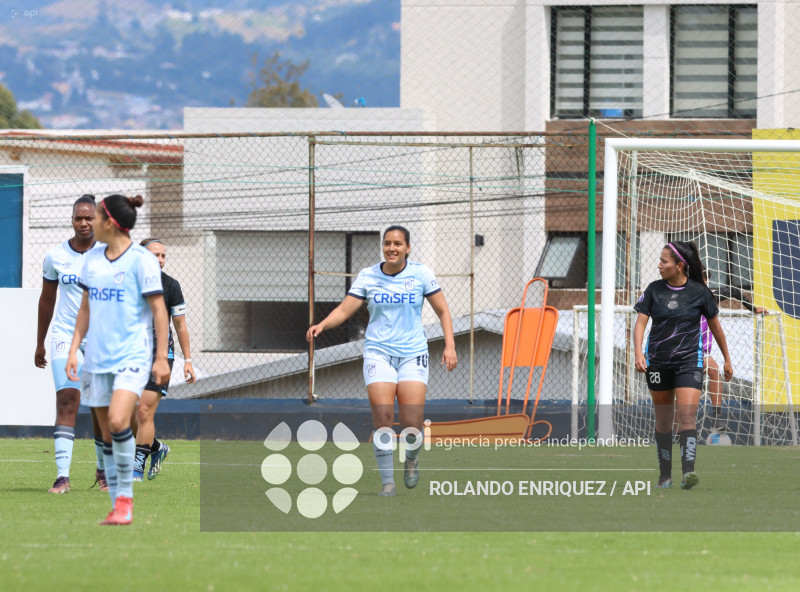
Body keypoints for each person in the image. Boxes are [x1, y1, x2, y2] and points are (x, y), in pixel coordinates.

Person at [306, 225, 457, 497]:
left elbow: (443, 311)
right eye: (387, 243)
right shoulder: (368, 276)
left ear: (407, 248)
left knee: (412, 423)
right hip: (378, 353)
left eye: (398, 243)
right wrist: (322, 325)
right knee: (383, 419)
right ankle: (388, 483)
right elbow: (344, 309)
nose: (392, 248)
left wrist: (450, 345)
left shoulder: (421, 274)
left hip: (413, 353)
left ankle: (411, 458)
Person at [66, 194, 170, 526]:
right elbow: (85, 308)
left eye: (96, 216)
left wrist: (162, 358)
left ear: (109, 223)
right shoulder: (92, 260)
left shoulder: (142, 261)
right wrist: (73, 348)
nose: (90, 222)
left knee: (116, 420)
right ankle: (117, 505)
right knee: (105, 434)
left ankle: (125, 499)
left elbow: (159, 310)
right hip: (96, 358)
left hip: (132, 356)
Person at [633, 241, 733, 490]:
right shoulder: (653, 290)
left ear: (679, 266)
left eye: (664, 261)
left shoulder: (700, 292)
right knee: (664, 420)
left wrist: (727, 359)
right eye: (659, 260)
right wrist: (638, 353)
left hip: (690, 361)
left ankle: (688, 472)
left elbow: (716, 328)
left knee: (686, 415)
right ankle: (664, 476)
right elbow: (640, 324)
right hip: (657, 363)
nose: (659, 265)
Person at [35, 194, 109, 494]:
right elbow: (47, 300)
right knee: (67, 399)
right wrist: (40, 342)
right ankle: (62, 478)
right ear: (72, 220)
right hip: (65, 337)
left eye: (89, 217)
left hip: (101, 341)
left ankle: (103, 472)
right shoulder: (55, 256)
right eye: (78, 217)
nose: (83, 223)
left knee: (100, 408)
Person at [131, 238, 195, 482]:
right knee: (125, 415)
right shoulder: (126, 283)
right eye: (154, 255)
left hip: (161, 356)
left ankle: (137, 468)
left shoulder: (170, 286)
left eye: (163, 255)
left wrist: (187, 360)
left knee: (144, 410)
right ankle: (156, 448)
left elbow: (180, 325)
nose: (160, 260)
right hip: (130, 355)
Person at [702, 271, 764, 432]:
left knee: (714, 370)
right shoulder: (681, 296)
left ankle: (716, 418)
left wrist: (753, 308)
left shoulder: (711, 296)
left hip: (699, 352)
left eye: (704, 279)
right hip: (679, 350)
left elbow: (734, 292)